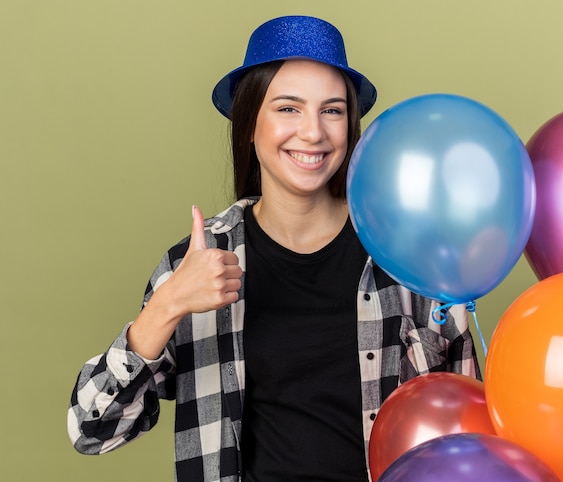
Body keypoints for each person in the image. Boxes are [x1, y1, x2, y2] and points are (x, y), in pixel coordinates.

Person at [67, 15, 481, 482]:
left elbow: (470, 433)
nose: (312, 133)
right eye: (288, 108)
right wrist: (167, 305)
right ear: (249, 124)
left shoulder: (407, 256)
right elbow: (92, 430)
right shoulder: (196, 264)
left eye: (332, 110)